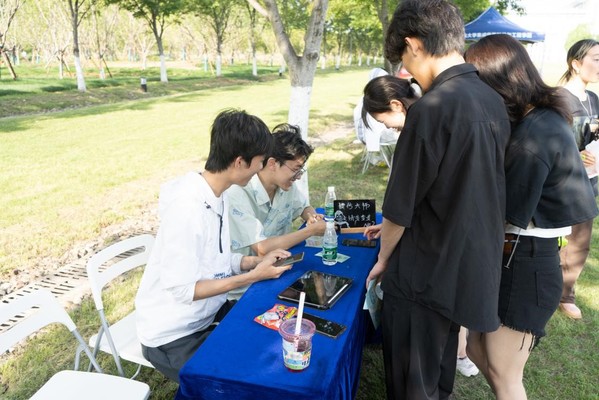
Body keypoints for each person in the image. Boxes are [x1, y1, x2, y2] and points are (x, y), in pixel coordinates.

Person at [365, 1, 512, 399]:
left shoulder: (431, 109)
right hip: (465, 267)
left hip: (424, 273)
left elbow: (399, 208)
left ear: (414, 44)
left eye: (404, 60)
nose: (408, 72)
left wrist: (383, 258)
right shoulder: (491, 98)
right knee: (439, 375)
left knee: (413, 383)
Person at [463, 34, 598, 400]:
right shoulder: (537, 117)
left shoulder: (533, 134)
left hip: (527, 265)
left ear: (498, 81)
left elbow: (505, 213)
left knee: (506, 375)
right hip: (517, 258)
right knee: (476, 349)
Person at [135, 109, 293, 382]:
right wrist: (252, 276)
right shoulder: (187, 208)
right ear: (240, 162)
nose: (260, 169)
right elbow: (183, 289)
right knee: (245, 381)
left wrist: (253, 262)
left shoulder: (219, 194)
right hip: (174, 335)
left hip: (208, 314)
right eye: (259, 162)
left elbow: (215, 258)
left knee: (275, 336)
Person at [226, 123, 326, 299]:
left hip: (280, 272)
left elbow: (303, 207)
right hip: (245, 287)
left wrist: (312, 217)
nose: (298, 177)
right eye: (295, 170)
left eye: (301, 170)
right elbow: (262, 248)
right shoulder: (238, 193)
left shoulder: (285, 185)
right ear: (272, 163)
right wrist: (310, 231)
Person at [557, 39, 599, 320]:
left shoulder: (594, 98)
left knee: (579, 242)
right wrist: (576, 154)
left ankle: (565, 295)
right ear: (575, 63)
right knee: (551, 240)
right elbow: (549, 140)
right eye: (596, 59)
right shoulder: (558, 98)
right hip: (561, 183)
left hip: (588, 183)